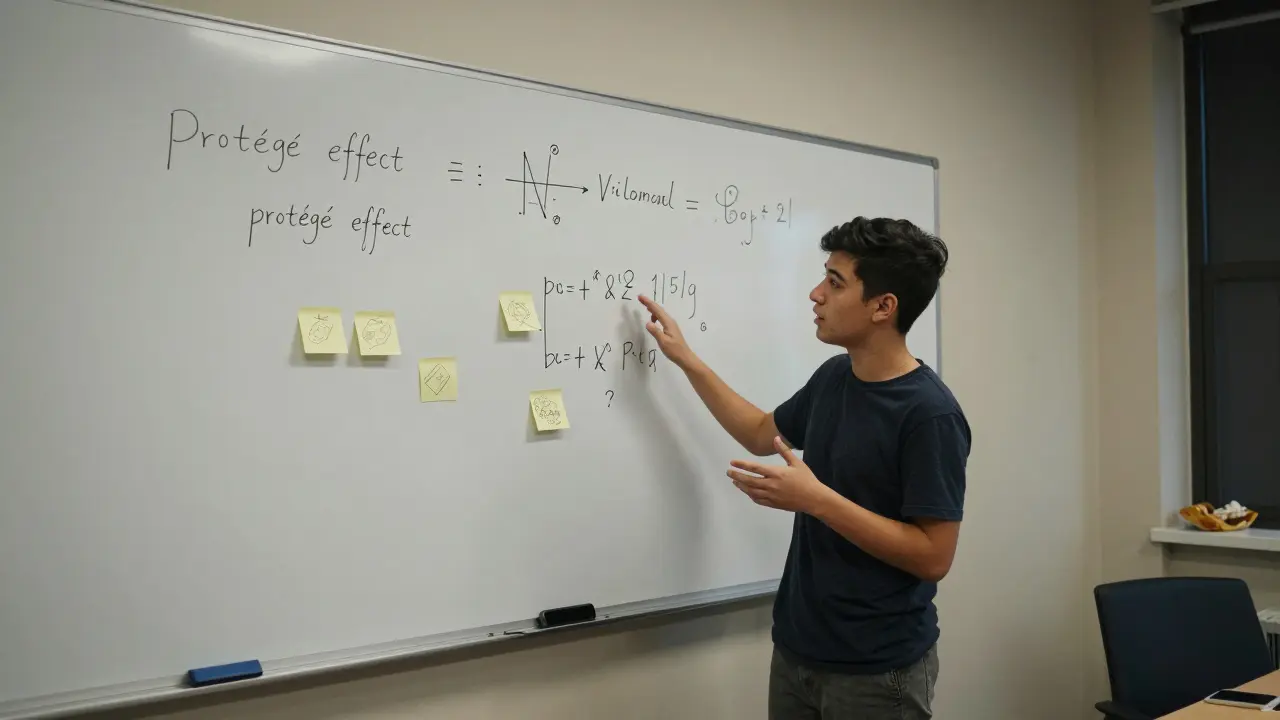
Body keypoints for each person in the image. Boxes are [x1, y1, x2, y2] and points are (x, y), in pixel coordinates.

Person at [637, 216, 969, 720]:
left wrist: (817, 501)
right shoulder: (835, 377)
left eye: (835, 283)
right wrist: (688, 359)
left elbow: (933, 556)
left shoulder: (930, 414)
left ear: (883, 306)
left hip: (878, 669)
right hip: (798, 650)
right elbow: (759, 432)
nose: (816, 294)